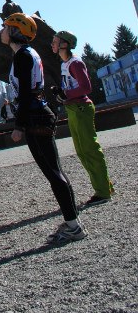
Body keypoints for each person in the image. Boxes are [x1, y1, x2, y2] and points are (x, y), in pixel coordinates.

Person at [0, 13, 85, 245]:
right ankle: (71, 221)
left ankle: (73, 225)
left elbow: (26, 92)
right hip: (38, 114)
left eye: (5, 27)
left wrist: (19, 125)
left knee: (54, 173)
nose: (1, 31)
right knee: (55, 171)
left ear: (15, 31)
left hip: (35, 117)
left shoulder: (23, 57)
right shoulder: (27, 54)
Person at [51, 30, 114, 205]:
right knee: (82, 152)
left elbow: (86, 87)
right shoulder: (65, 63)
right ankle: (104, 186)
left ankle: (103, 192)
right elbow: (72, 87)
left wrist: (66, 93)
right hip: (73, 107)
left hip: (81, 108)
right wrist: (62, 93)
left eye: (55, 42)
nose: (52, 44)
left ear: (65, 44)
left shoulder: (75, 63)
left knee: (90, 150)